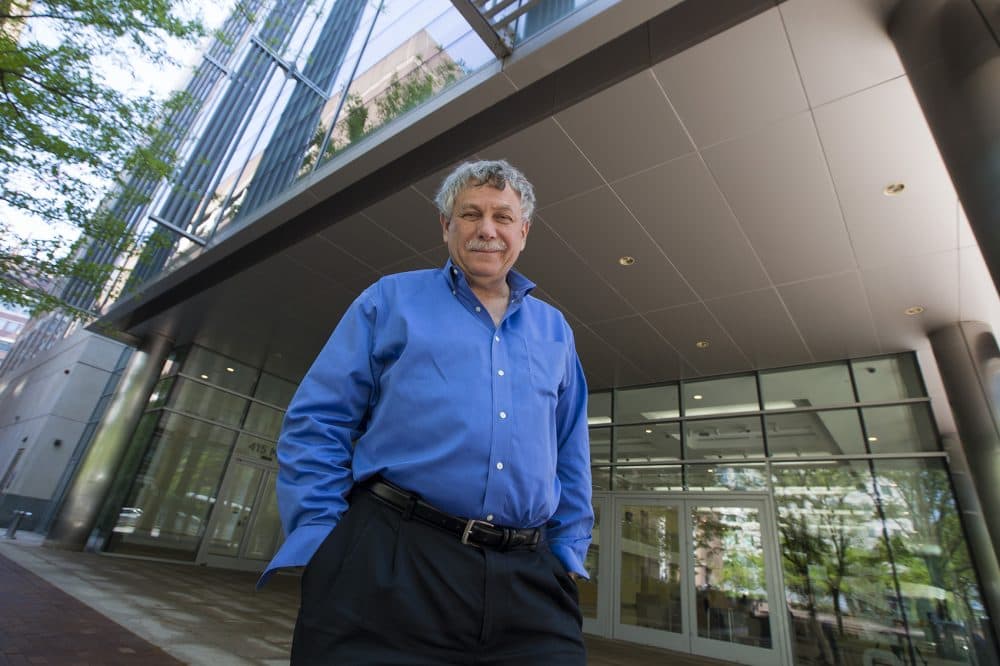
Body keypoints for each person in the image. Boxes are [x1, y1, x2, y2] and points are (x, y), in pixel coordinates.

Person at [259, 160, 594, 664]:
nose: (487, 229)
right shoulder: (389, 301)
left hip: (529, 578)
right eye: (470, 214)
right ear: (446, 226)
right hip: (392, 562)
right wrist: (322, 537)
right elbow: (318, 420)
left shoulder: (555, 330)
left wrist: (567, 551)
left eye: (503, 217)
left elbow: (570, 446)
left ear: (523, 232)